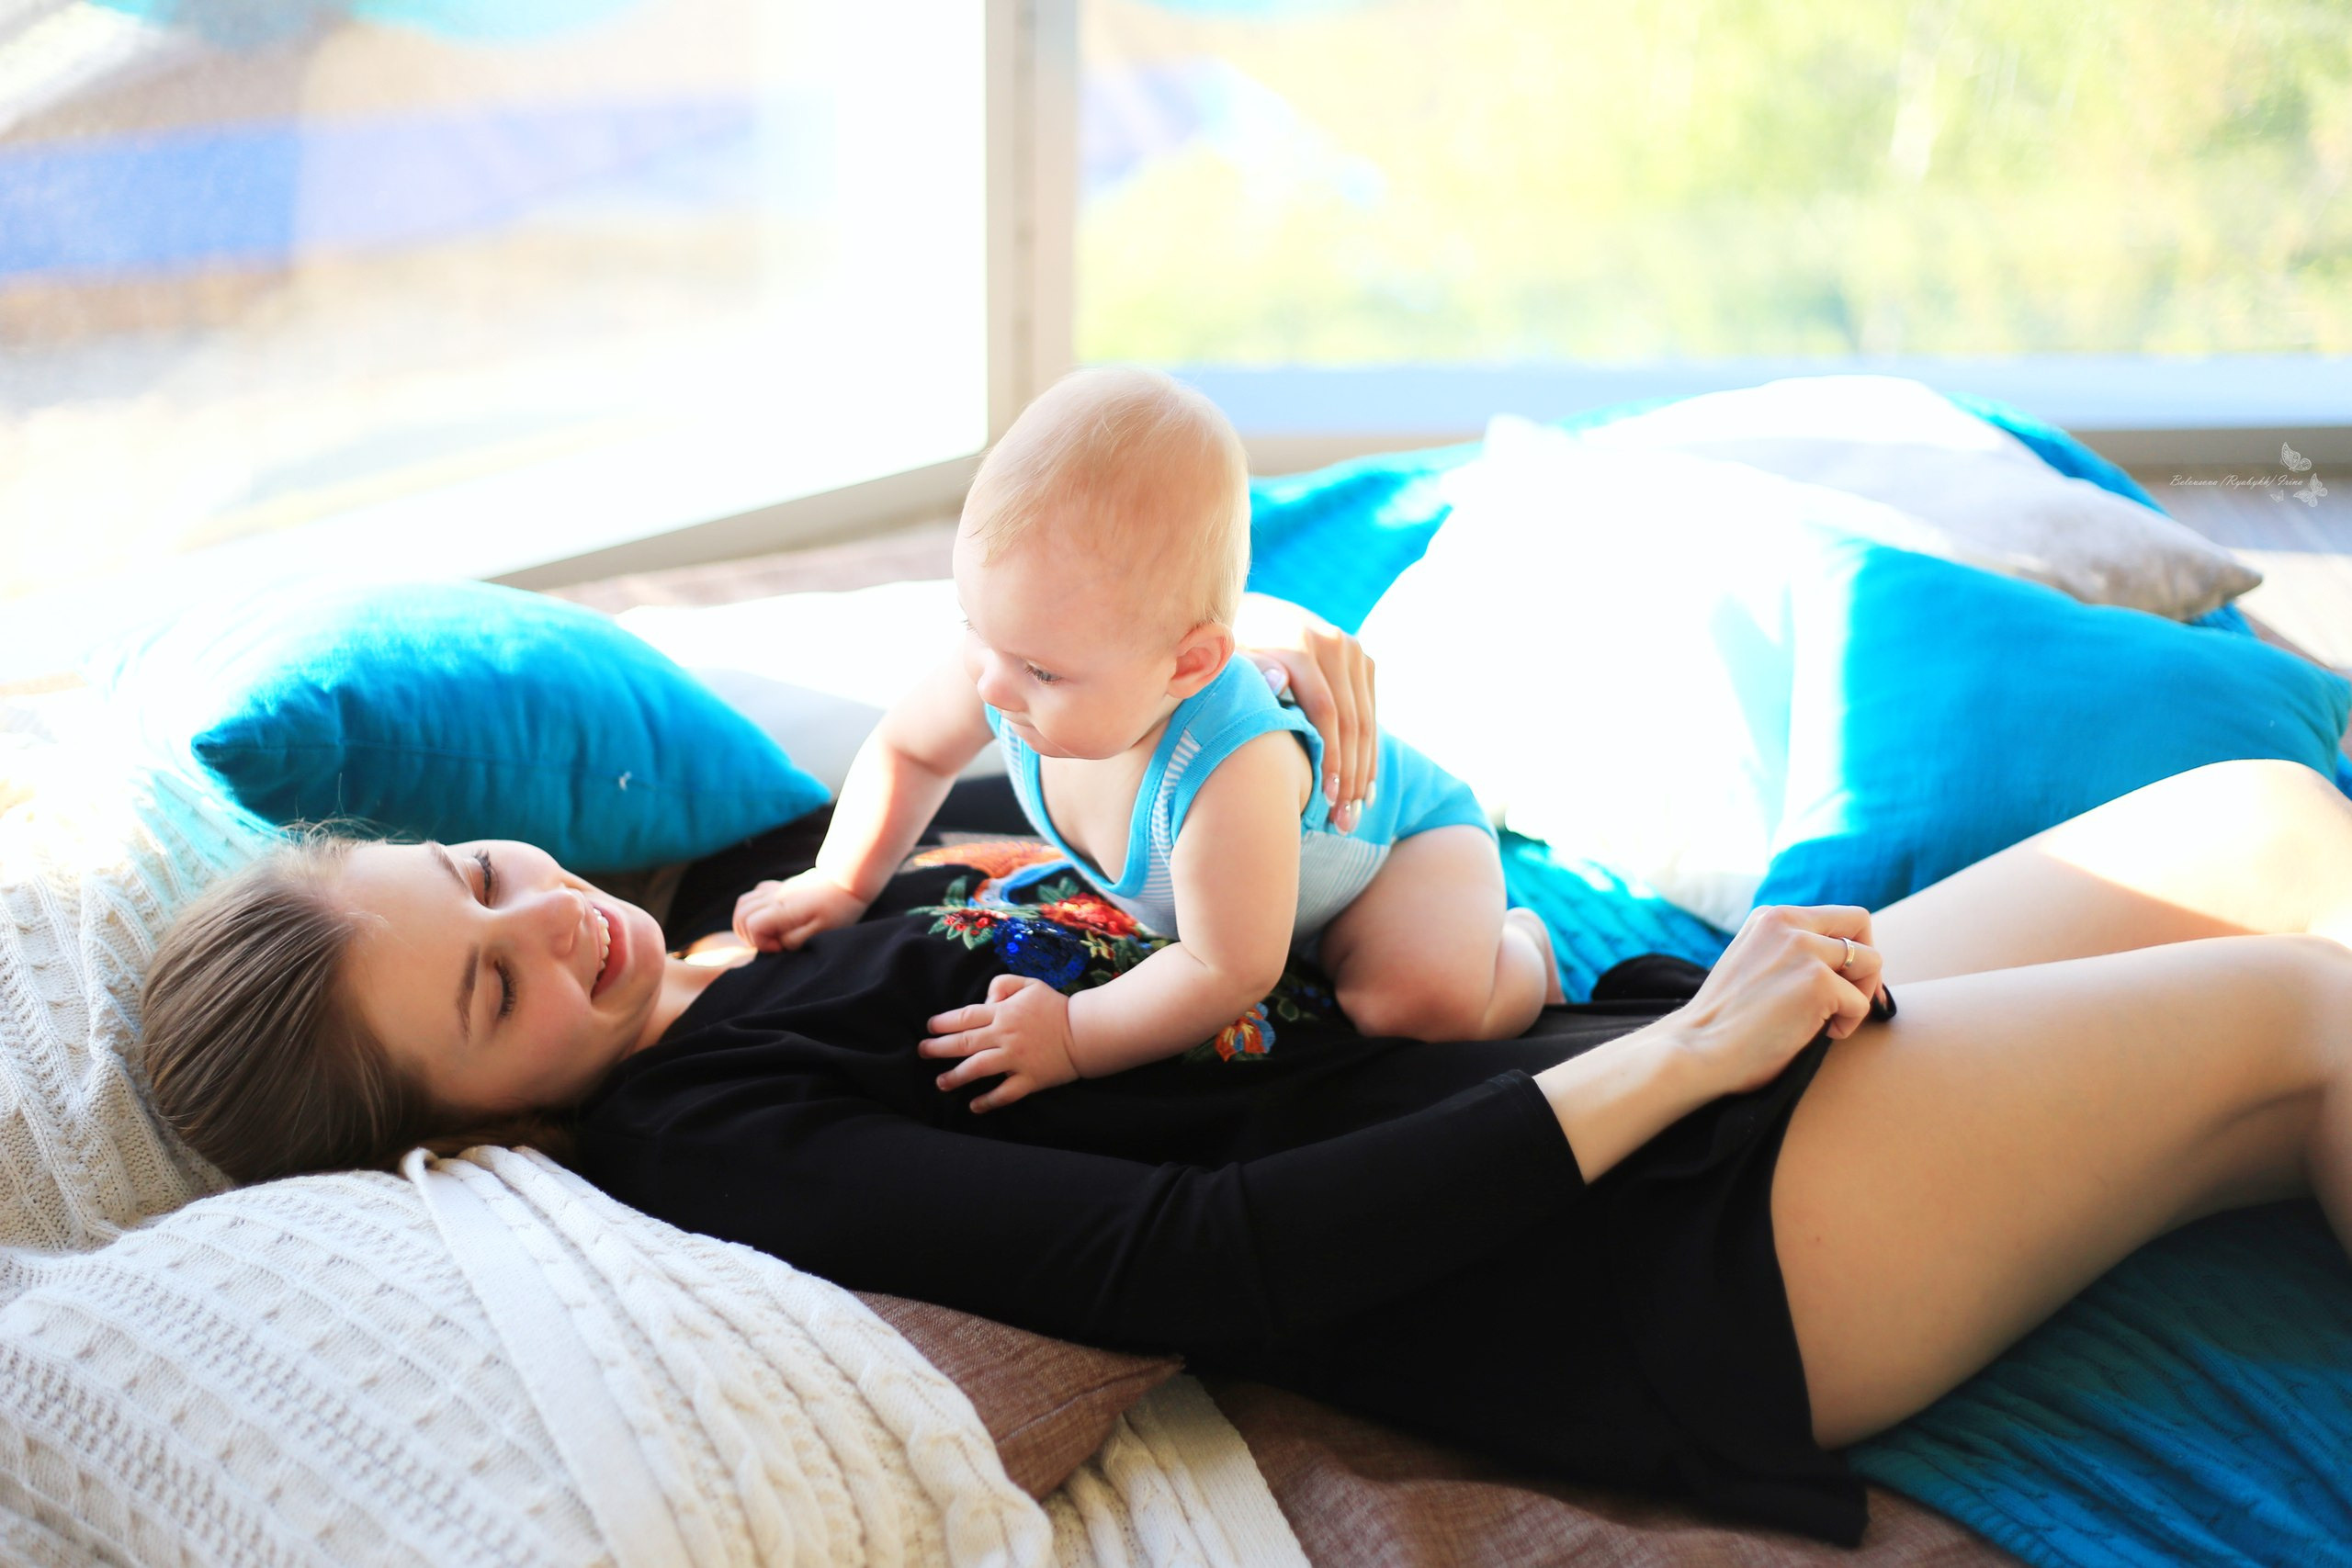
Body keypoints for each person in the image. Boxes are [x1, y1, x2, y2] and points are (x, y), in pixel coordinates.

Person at [137, 609, 2352, 1545]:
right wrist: (1681, 1058)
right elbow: (1213, 1248)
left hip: (1608, 1050)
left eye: (482, 878)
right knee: (2301, 1012)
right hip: (1649, 1233)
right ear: (469, 1126)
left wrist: (1253, 684)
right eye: (494, 994)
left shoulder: (744, 903)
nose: (554, 927)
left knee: (2258, 817)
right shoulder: (710, 1126)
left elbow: (1072, 774)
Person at [728, 367, 1561, 1113]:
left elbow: (1226, 969)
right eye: (974, 627)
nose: (991, 685)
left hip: (1407, 852)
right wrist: (840, 880)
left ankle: (1525, 949)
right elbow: (910, 750)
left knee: (1408, 1008)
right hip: (1258, 894)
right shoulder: (1007, 659)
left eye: (1042, 671)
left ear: (1188, 666)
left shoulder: (1232, 768)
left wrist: (1075, 1035)